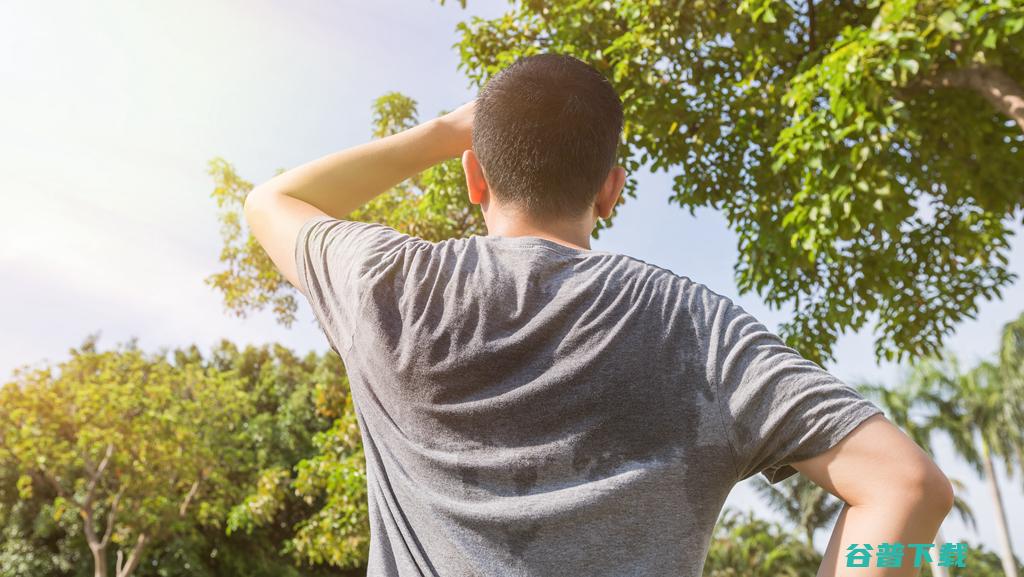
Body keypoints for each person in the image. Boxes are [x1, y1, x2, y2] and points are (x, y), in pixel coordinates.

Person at [244, 53, 954, 577]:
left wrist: (447, 130)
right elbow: (909, 485)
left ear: (473, 177)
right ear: (611, 188)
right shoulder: (698, 327)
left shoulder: (388, 285)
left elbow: (270, 202)